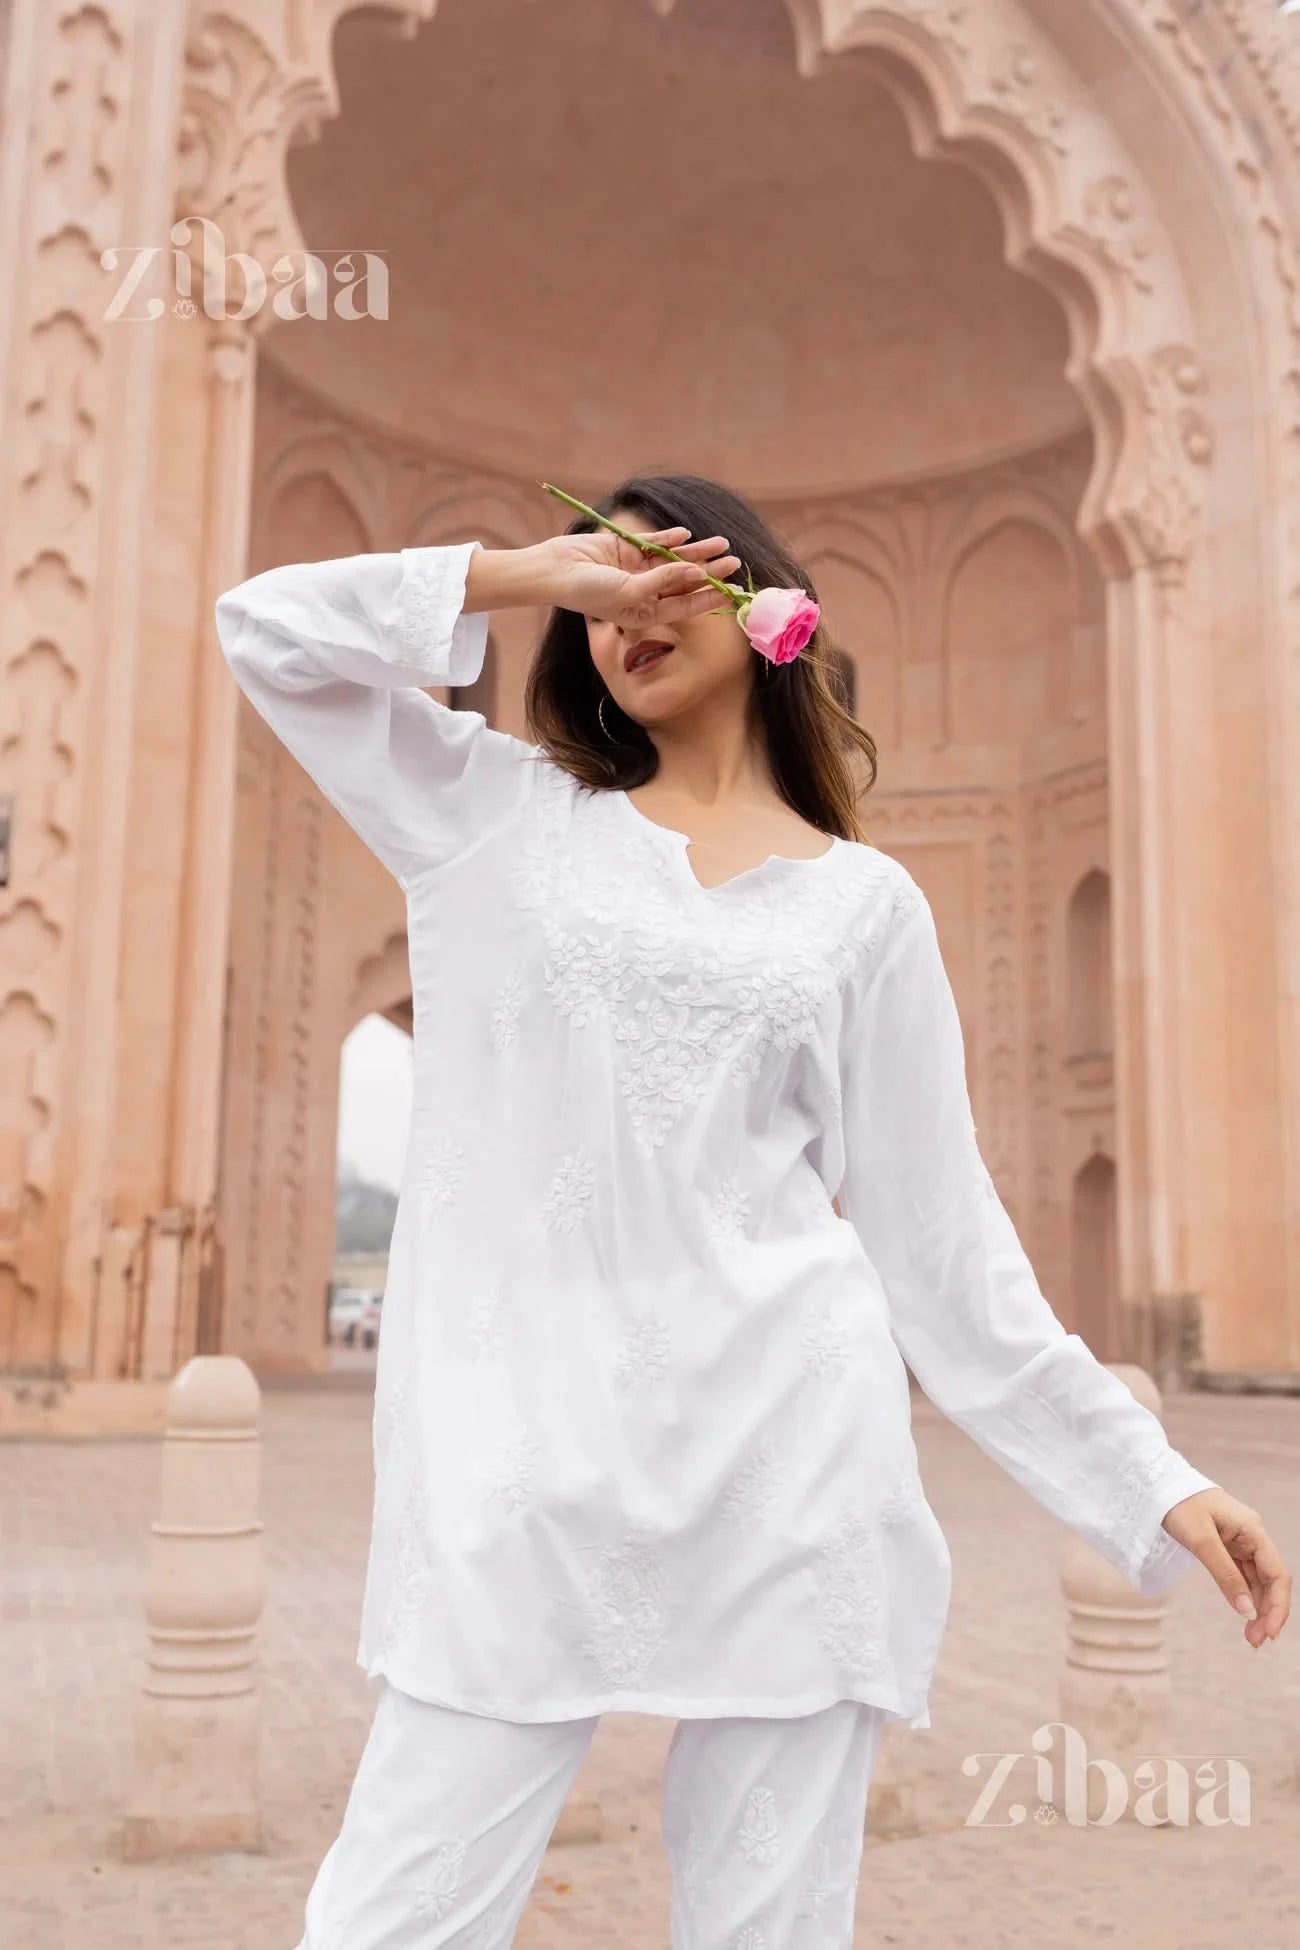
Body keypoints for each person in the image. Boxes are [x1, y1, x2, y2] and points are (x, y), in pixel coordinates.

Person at [215, 472, 1290, 1950]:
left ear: (769, 603)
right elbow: (265, 630)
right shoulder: (493, 816)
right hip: (522, 1474)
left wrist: (1149, 1478)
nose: (629, 608)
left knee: (768, 1930)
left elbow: (939, 1243)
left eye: (671, 566)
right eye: (613, 581)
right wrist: (537, 572)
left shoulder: (866, 907)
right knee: (392, 1916)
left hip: (792, 1473)